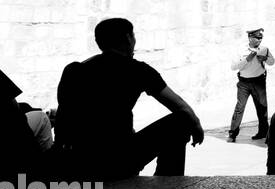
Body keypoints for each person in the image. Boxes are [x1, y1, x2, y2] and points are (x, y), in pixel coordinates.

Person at [55, 17, 205, 179]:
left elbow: (63, 117)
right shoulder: (138, 70)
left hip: (75, 162)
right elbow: (179, 106)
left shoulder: (74, 70)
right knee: (181, 121)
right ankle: (167, 181)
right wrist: (195, 124)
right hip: (116, 161)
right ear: (128, 38)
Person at [229, 28, 274, 142]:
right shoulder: (241, 50)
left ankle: (263, 132)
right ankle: (232, 134)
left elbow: (272, 62)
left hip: (259, 81)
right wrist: (247, 60)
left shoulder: (264, 49)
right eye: (257, 38)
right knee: (240, 107)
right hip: (244, 83)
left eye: (261, 38)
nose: (259, 40)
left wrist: (265, 58)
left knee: (262, 107)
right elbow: (233, 67)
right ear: (250, 38)